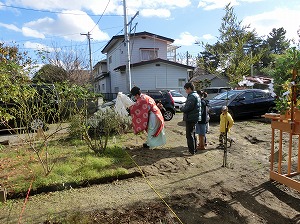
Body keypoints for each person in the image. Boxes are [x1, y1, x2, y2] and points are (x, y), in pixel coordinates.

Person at [180, 82, 201, 155]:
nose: (186, 91)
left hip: (191, 118)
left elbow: (188, 107)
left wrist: (182, 108)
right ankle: (194, 149)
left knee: (189, 135)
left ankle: (191, 151)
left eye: (186, 89)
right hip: (194, 117)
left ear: (189, 88)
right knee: (193, 134)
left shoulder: (192, 96)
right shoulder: (196, 95)